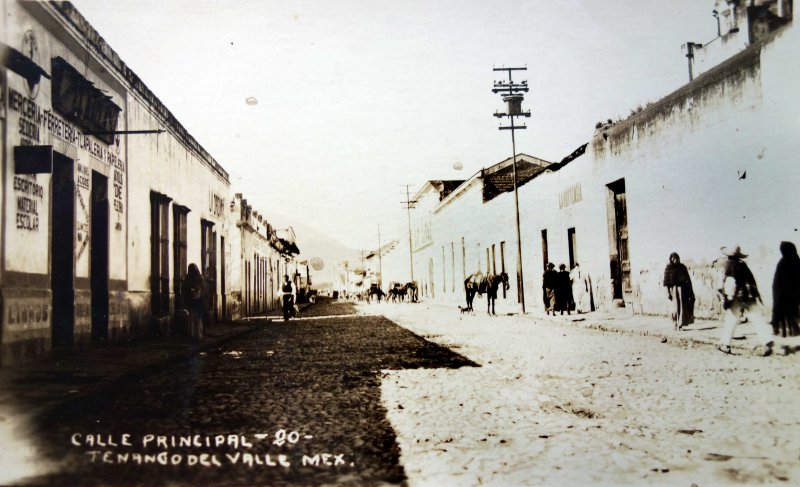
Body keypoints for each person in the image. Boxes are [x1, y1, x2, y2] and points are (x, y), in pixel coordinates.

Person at [717, 245, 774, 355]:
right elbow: (751, 280)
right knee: (756, 317)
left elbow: (731, 283)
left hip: (737, 296)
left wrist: (728, 298)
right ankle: (767, 342)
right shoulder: (743, 264)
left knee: (731, 319)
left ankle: (725, 344)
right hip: (749, 295)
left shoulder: (729, 264)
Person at [771, 241, 800, 338]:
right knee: (790, 314)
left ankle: (786, 334)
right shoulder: (796, 261)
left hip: (783, 294)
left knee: (784, 314)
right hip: (789, 294)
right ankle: (791, 334)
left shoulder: (783, 263)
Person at [662, 252, 695, 331]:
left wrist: (690, 291)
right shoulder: (668, 268)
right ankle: (675, 324)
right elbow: (666, 282)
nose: (676, 260)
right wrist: (668, 293)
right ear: (671, 259)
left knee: (682, 307)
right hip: (674, 289)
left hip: (683, 289)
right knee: (675, 308)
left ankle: (680, 325)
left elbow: (688, 280)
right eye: (674, 258)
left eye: (677, 258)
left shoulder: (682, 267)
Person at [183, 263, 206, 339]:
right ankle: (196, 335)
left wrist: (196, 290)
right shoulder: (197, 277)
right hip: (194, 300)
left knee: (194, 318)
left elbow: (202, 289)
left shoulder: (198, 278)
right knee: (195, 318)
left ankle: (195, 335)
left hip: (196, 300)